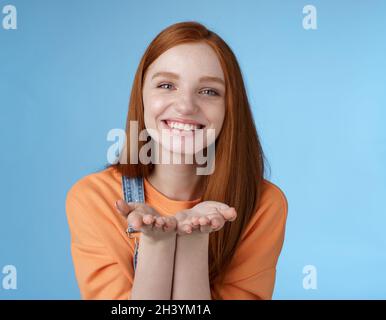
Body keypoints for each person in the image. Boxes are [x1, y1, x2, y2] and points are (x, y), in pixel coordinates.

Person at [65, 21, 288, 300]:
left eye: (209, 91)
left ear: (229, 107)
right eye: (167, 85)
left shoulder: (262, 204)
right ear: (142, 95)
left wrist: (193, 240)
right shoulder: (93, 199)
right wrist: (158, 244)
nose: (185, 105)